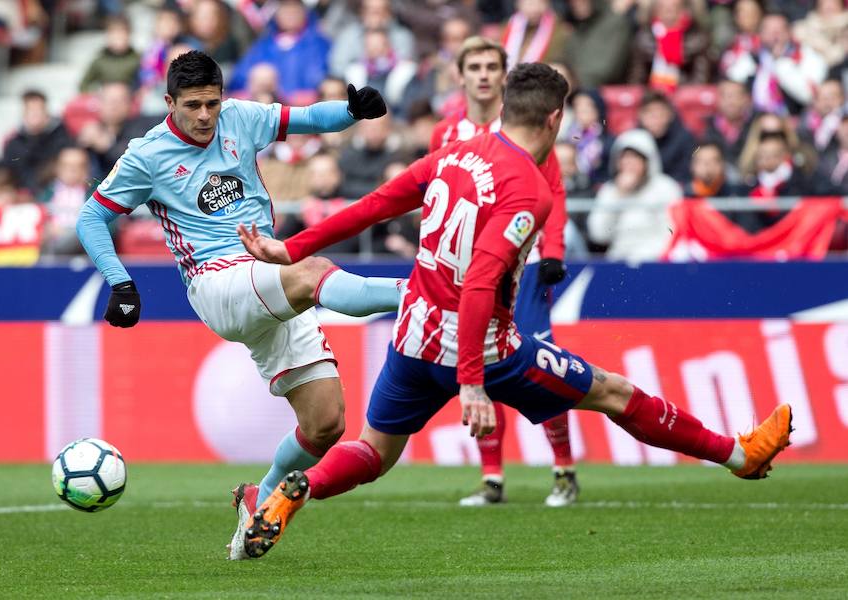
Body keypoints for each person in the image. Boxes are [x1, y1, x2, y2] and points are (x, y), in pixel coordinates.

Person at [235, 62, 793, 559]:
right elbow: (481, 282)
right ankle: (738, 456)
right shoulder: (529, 188)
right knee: (613, 392)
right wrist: (472, 384)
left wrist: (293, 247)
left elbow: (377, 204)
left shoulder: (456, 153)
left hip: (412, 333)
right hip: (483, 348)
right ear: (554, 119)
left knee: (373, 452)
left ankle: (291, 490)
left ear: (504, 107)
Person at [74, 50, 393, 562]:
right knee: (312, 271)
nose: (205, 116)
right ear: (169, 102)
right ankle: (425, 291)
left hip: (265, 271)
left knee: (326, 423)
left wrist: (352, 111)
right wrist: (121, 282)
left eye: (212, 104)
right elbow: (91, 218)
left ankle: (257, 499)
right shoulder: (146, 155)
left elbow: (308, 119)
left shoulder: (240, 117)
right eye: (193, 106)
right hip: (216, 282)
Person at [428, 37, 578, 507]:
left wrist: (553, 250)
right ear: (461, 75)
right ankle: (492, 477)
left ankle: (564, 470)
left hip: (523, 268)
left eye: (492, 66)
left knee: (545, 366)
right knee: (482, 367)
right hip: (467, 271)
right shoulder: (445, 133)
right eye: (474, 66)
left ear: (503, 75)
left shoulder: (525, 126)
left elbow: (553, 189)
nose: (483, 75)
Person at [586, 129, 683, 263]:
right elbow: (598, 234)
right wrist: (619, 196)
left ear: (647, 161)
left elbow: (673, 232)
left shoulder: (666, 188)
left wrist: (646, 256)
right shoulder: (610, 190)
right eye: (624, 157)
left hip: (656, 260)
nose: (629, 162)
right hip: (618, 258)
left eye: (635, 157)